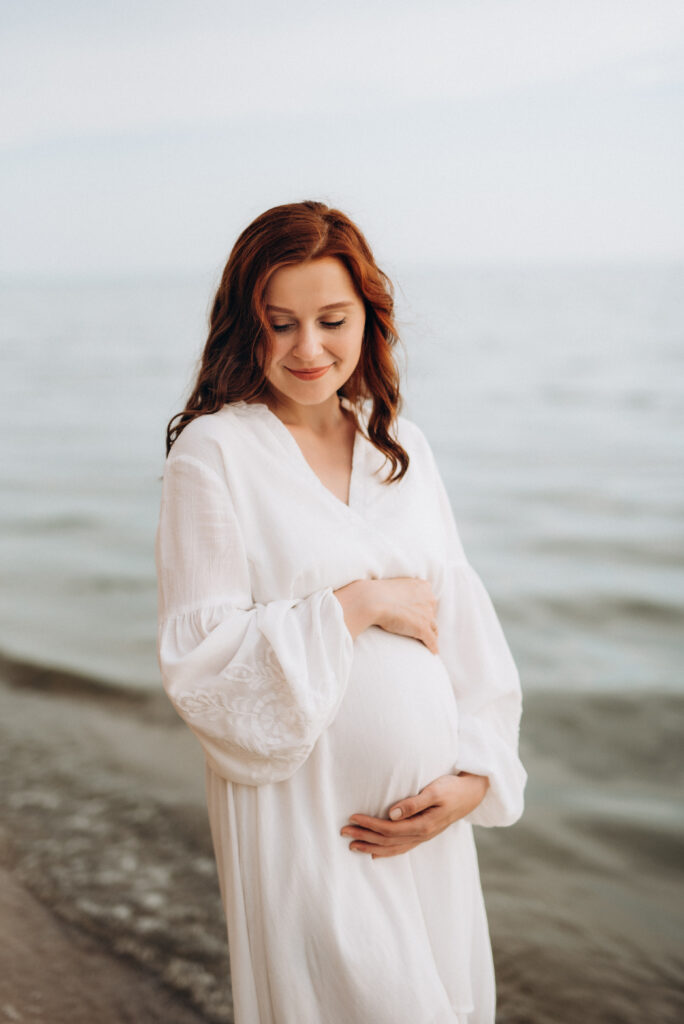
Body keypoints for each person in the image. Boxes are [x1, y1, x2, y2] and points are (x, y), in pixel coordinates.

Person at [154, 200, 527, 1024]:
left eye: (331, 319)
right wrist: (355, 604)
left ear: (369, 318)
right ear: (243, 328)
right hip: (307, 824)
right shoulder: (216, 453)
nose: (307, 349)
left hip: (425, 836)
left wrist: (475, 774)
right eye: (279, 323)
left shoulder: (401, 446)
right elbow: (199, 659)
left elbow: (463, 622)